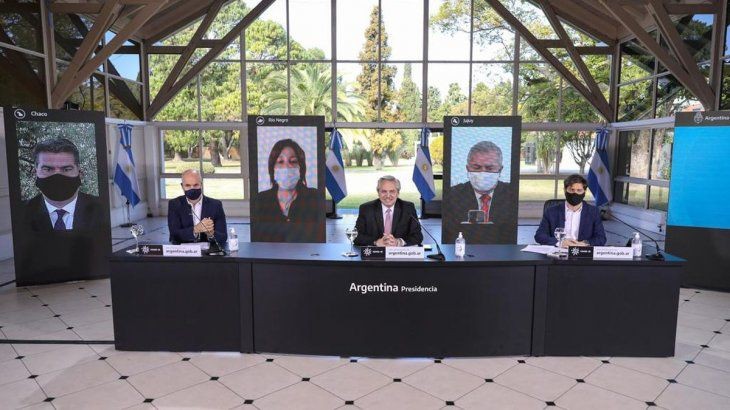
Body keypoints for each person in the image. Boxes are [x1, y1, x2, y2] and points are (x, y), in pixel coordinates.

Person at [442, 140, 518, 243]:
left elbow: (508, 237)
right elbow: (450, 237)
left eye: (489, 168)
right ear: (467, 168)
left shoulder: (511, 194)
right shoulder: (453, 196)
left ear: (500, 170)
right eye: (477, 167)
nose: (483, 172)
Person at [23, 138, 105, 232]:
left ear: (80, 173)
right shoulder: (20, 213)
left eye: (66, 169)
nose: (57, 177)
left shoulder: (101, 209)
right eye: (48, 169)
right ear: (35, 173)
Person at [252, 139, 321, 242]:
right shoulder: (260, 200)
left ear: (301, 167)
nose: (287, 167)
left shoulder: (315, 198)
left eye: (293, 161)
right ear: (272, 168)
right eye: (280, 162)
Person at [534, 174, 607, 247]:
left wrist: (585, 243)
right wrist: (560, 243)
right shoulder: (551, 211)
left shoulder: (593, 212)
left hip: (582, 250)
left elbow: (601, 238)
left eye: (579, 190)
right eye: (572, 190)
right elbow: (539, 236)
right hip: (559, 249)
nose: (575, 193)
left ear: (584, 191)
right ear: (565, 190)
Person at [354, 175, 423, 247]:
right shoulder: (366, 209)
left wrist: (398, 242)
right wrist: (376, 242)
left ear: (398, 193)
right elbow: (355, 236)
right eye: (384, 191)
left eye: (392, 191)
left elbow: (418, 236)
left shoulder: (408, 208)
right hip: (375, 252)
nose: (388, 195)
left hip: (399, 252)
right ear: (378, 192)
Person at [168, 169, 228, 245]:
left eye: (196, 185)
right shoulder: (174, 204)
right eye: (188, 185)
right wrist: (195, 229)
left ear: (201, 184)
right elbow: (174, 236)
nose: (192, 188)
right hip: (183, 250)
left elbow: (223, 237)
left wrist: (211, 234)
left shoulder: (215, 205)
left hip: (208, 251)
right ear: (182, 186)